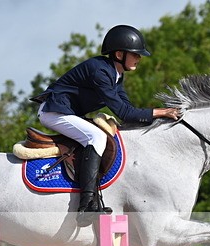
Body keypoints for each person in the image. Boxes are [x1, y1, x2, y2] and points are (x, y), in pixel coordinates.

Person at [32, 25, 181, 224]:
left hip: (66, 112)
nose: (139, 58)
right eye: (135, 54)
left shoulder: (116, 75)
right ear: (119, 54)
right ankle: (86, 205)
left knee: (102, 135)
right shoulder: (100, 72)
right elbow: (124, 112)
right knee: (97, 136)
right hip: (54, 112)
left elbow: (127, 110)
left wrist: (155, 116)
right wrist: (162, 111)